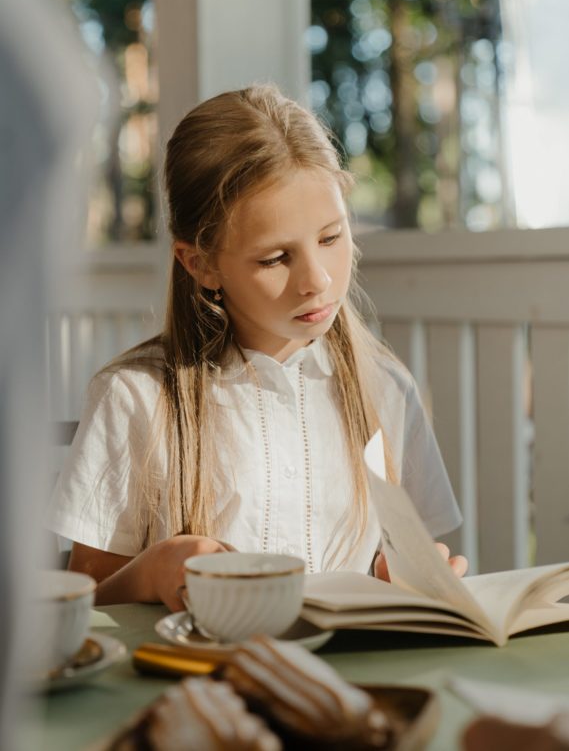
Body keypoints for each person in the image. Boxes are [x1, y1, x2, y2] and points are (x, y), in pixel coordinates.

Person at [46, 84, 467, 612]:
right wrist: (152, 572)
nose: (317, 279)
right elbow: (79, 611)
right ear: (200, 263)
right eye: (275, 258)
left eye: (332, 238)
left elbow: (405, 565)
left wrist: (402, 578)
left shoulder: (386, 388)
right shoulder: (136, 397)